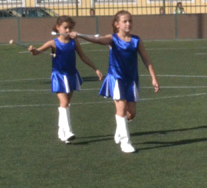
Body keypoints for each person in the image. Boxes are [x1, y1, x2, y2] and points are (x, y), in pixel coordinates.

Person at [74, 11, 160, 154]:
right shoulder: (112, 39)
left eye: (130, 21)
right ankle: (125, 143)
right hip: (116, 78)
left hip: (131, 79)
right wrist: (80, 35)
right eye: (125, 21)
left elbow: (146, 59)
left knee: (131, 113)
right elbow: (98, 40)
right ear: (117, 24)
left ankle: (120, 129)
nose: (128, 23)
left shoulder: (136, 40)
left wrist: (153, 77)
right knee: (121, 108)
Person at [28, 16, 103, 143]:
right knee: (64, 102)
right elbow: (37, 52)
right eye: (65, 27)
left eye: (70, 28)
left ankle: (61, 131)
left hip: (71, 75)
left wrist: (95, 68)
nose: (68, 30)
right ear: (58, 28)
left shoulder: (74, 42)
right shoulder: (53, 43)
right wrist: (32, 50)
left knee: (66, 104)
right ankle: (68, 131)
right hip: (59, 76)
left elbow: (83, 56)